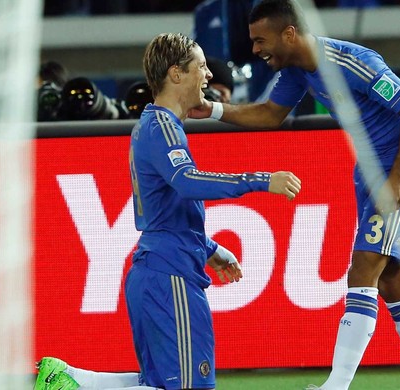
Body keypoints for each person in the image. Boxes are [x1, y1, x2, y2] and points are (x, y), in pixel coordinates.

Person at [189, 1, 400, 389]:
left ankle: (337, 385)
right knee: (393, 282)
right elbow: (269, 114)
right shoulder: (298, 70)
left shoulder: (352, 62)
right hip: (369, 171)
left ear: (289, 34)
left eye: (260, 40)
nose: (255, 50)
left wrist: (397, 179)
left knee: (363, 269)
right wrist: (213, 110)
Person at [34, 32, 302, 390]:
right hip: (169, 275)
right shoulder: (161, 125)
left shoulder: (157, 125)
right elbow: (185, 181)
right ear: (176, 74)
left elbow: (167, 211)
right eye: (201, 67)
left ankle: (73, 380)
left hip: (161, 269)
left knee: (166, 383)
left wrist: (210, 249)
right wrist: (260, 179)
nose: (208, 75)